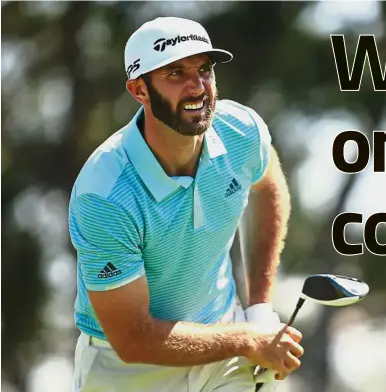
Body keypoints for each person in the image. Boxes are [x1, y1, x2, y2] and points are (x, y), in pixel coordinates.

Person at [68, 16, 303, 392]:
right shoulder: (105, 192)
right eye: (175, 73)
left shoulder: (241, 130)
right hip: (128, 371)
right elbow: (134, 339)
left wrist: (259, 311)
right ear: (139, 90)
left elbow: (268, 185)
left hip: (223, 347)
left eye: (204, 70)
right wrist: (248, 339)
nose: (198, 87)